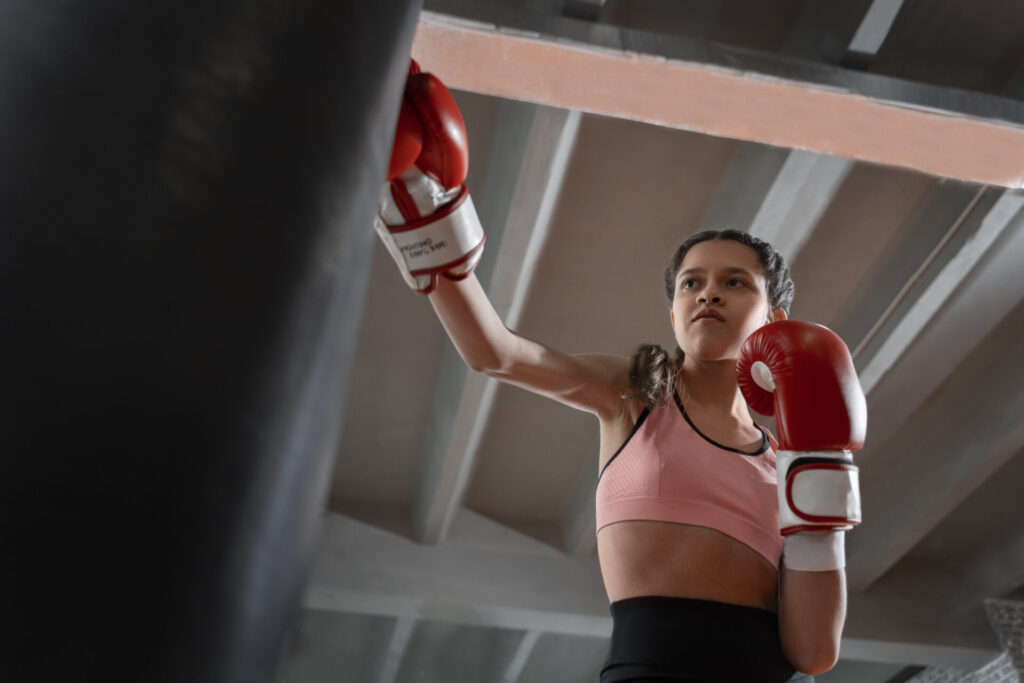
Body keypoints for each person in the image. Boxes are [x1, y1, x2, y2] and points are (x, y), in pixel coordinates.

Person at [375, 62, 866, 683]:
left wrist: (819, 480)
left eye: (734, 282)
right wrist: (428, 218)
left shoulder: (787, 462)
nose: (708, 295)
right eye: (692, 283)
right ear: (673, 309)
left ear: (775, 314)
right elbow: (495, 352)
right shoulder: (636, 394)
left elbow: (814, 652)